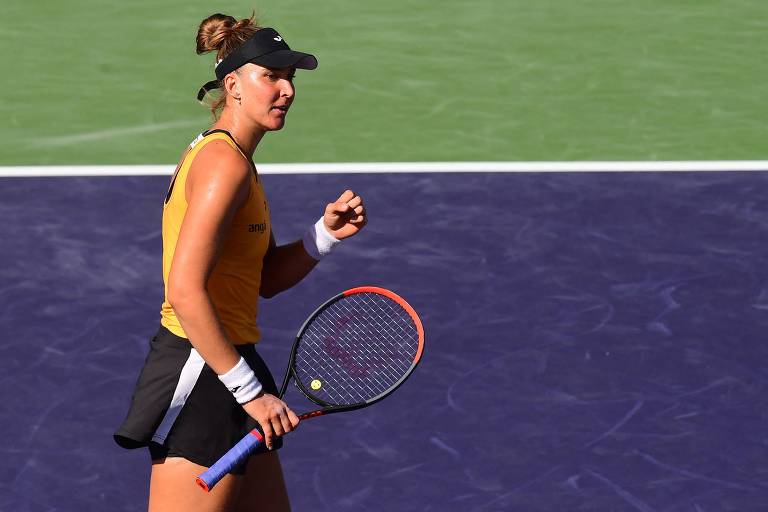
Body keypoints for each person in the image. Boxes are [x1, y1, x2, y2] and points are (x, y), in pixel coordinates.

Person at [114, 12, 366, 511]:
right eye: (270, 76)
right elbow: (184, 289)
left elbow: (264, 278)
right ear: (232, 84)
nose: (287, 90)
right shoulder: (223, 165)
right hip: (204, 369)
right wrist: (248, 391)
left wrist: (323, 236)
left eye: (289, 78)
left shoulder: (240, 164)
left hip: (231, 360)